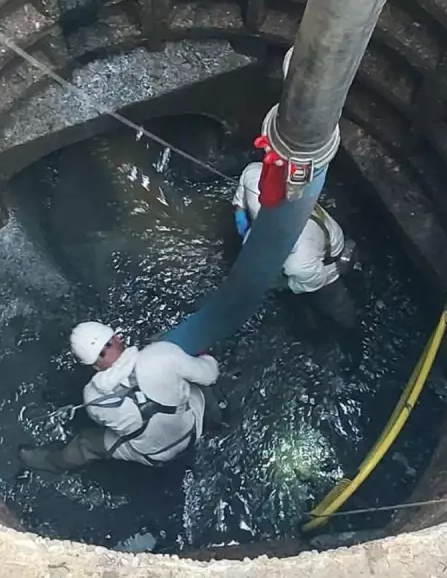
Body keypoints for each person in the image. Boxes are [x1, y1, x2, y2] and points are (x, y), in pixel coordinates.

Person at [18, 321, 221, 472]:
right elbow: (211, 374)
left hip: (154, 455)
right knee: (197, 380)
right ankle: (221, 420)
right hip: (194, 429)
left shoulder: (92, 398)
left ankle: (49, 463)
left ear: (92, 366)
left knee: (87, 443)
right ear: (117, 337)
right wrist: (201, 356)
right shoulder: (162, 354)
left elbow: (112, 423)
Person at [232, 161, 357, 328]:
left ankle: (351, 329)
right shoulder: (256, 185)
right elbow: (250, 173)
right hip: (308, 243)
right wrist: (239, 210)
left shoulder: (299, 262)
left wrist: (283, 285)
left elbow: (316, 281)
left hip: (326, 263)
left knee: (336, 305)